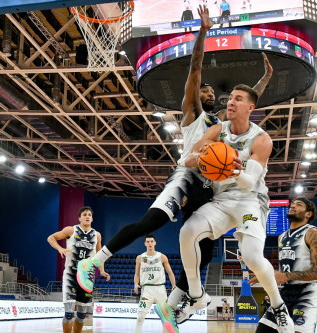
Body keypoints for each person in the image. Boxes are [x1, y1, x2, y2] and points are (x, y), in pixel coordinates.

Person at [76, 5, 273, 309]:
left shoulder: (219, 124)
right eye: (205, 90)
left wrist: (264, 81)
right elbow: (195, 69)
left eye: (210, 91)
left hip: (209, 185)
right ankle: (94, 262)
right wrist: (203, 33)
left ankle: (177, 300)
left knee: (204, 248)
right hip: (187, 174)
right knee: (152, 221)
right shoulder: (193, 112)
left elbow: (247, 106)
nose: (209, 93)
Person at [154, 83, 293, 333]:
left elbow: (250, 182)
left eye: (238, 99)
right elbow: (188, 157)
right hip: (222, 199)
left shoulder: (261, 139)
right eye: (230, 98)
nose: (230, 102)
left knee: (251, 255)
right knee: (188, 231)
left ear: (250, 107)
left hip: (250, 201)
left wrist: (234, 169)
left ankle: (277, 306)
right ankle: (196, 296)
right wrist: (198, 157)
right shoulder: (219, 129)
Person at [238, 197, 317, 333]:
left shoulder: (313, 234)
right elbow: (284, 269)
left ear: (308, 214)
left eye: (299, 205)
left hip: (307, 294)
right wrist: (267, 276)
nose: (293, 206)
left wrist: (285, 276)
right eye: (292, 204)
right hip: (285, 295)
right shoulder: (282, 237)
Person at [47, 206, 110, 333]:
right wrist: (60, 248)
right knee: (69, 314)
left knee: (82, 315)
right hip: (71, 274)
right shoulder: (71, 230)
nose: (87, 216)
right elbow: (51, 238)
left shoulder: (97, 235)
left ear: (92, 218)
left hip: (87, 276)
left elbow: (99, 256)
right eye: (84, 214)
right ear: (79, 218)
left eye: (90, 214)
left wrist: (102, 271)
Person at [125, 234, 176, 333]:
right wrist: (136, 284)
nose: (149, 243)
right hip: (146, 290)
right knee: (140, 317)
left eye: (151, 241)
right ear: (145, 244)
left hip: (160, 289)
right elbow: (136, 274)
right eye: (147, 241)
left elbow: (170, 272)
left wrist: (174, 287)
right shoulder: (140, 258)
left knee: (165, 319)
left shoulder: (162, 257)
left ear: (155, 243)